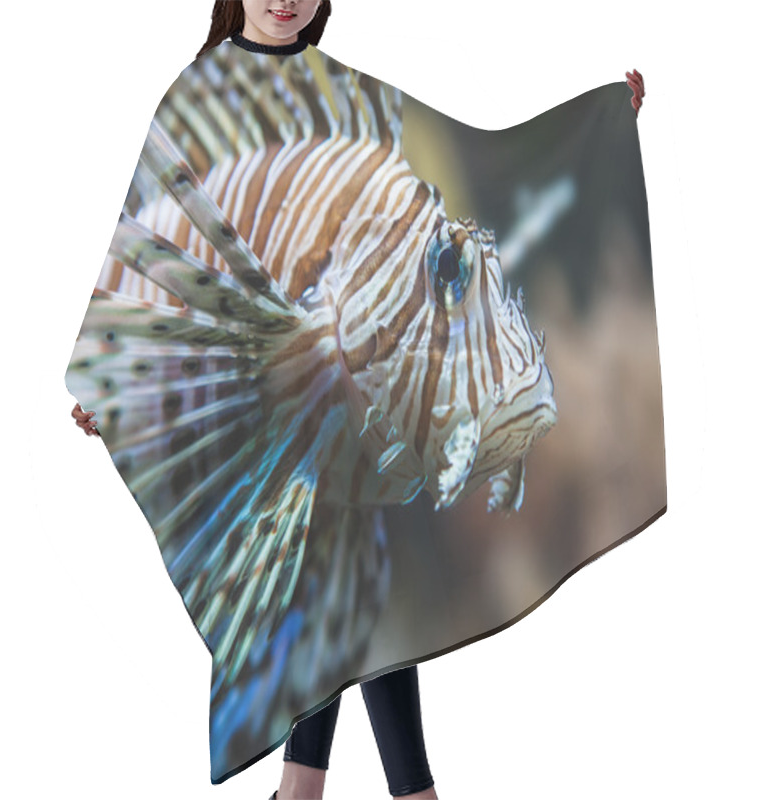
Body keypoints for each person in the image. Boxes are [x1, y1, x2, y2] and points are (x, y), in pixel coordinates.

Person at [70, 3, 646, 798]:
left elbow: (485, 145)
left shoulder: (339, 86)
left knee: (350, 585)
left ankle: (313, 789)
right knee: (347, 584)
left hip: (329, 399)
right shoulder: (195, 88)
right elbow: (144, 243)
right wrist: (119, 373)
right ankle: (387, 791)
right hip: (271, 383)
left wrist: (604, 121)